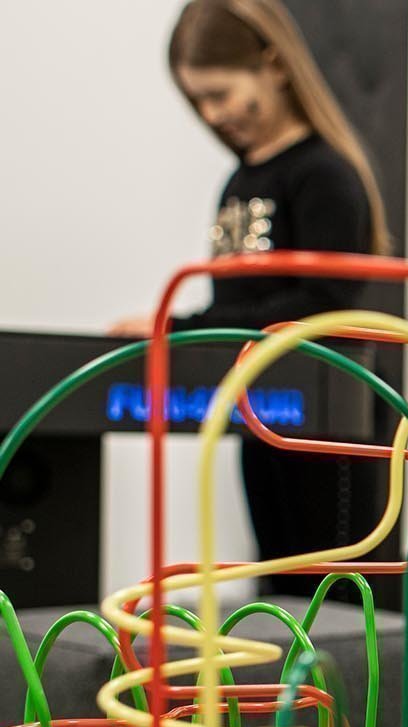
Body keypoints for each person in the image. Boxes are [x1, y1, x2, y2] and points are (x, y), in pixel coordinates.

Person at [110, 0, 391, 600]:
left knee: (335, 600)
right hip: (263, 411)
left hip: (327, 424)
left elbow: (321, 304)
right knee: (279, 583)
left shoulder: (324, 175)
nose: (212, 115)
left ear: (274, 64)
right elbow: (242, 300)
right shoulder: (240, 181)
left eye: (221, 94)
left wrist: (183, 328)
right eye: (198, 102)